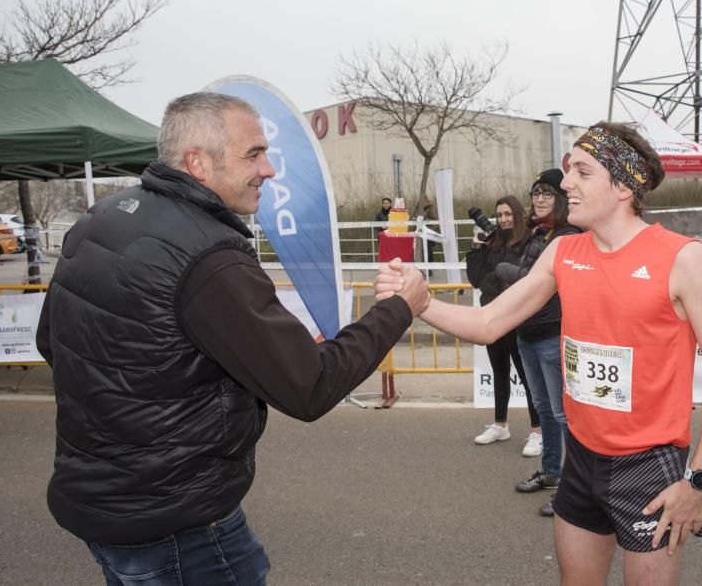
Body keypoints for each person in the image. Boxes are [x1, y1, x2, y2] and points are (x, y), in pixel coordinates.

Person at [37, 92, 429, 585]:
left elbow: (53, 341)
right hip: (177, 521)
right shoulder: (208, 255)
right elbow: (310, 386)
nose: (268, 170)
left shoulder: (101, 217)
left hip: (101, 502)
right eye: (253, 154)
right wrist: (397, 310)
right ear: (197, 162)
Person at [376, 122, 702, 584]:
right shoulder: (563, 253)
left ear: (624, 186)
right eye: (569, 171)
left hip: (650, 468)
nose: (566, 182)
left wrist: (699, 482)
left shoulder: (683, 260)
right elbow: (489, 324)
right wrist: (421, 301)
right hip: (582, 458)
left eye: (582, 173)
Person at [492, 168, 581, 516]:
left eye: (546, 193)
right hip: (527, 333)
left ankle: (574, 489)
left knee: (563, 414)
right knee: (544, 410)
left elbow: (531, 279)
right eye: (535, 192)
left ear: (561, 198)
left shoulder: (567, 234)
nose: (539, 198)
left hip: (552, 333)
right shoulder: (535, 232)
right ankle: (552, 472)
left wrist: (503, 270)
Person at [465, 195, 542, 456]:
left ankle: (537, 431)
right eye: (499, 215)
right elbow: (477, 279)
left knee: (527, 376)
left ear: (518, 214)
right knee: (499, 371)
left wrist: (495, 279)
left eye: (508, 214)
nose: (503, 219)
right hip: (492, 316)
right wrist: (477, 247)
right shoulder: (492, 240)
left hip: (518, 318)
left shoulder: (528, 241)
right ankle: (500, 424)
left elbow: (519, 280)